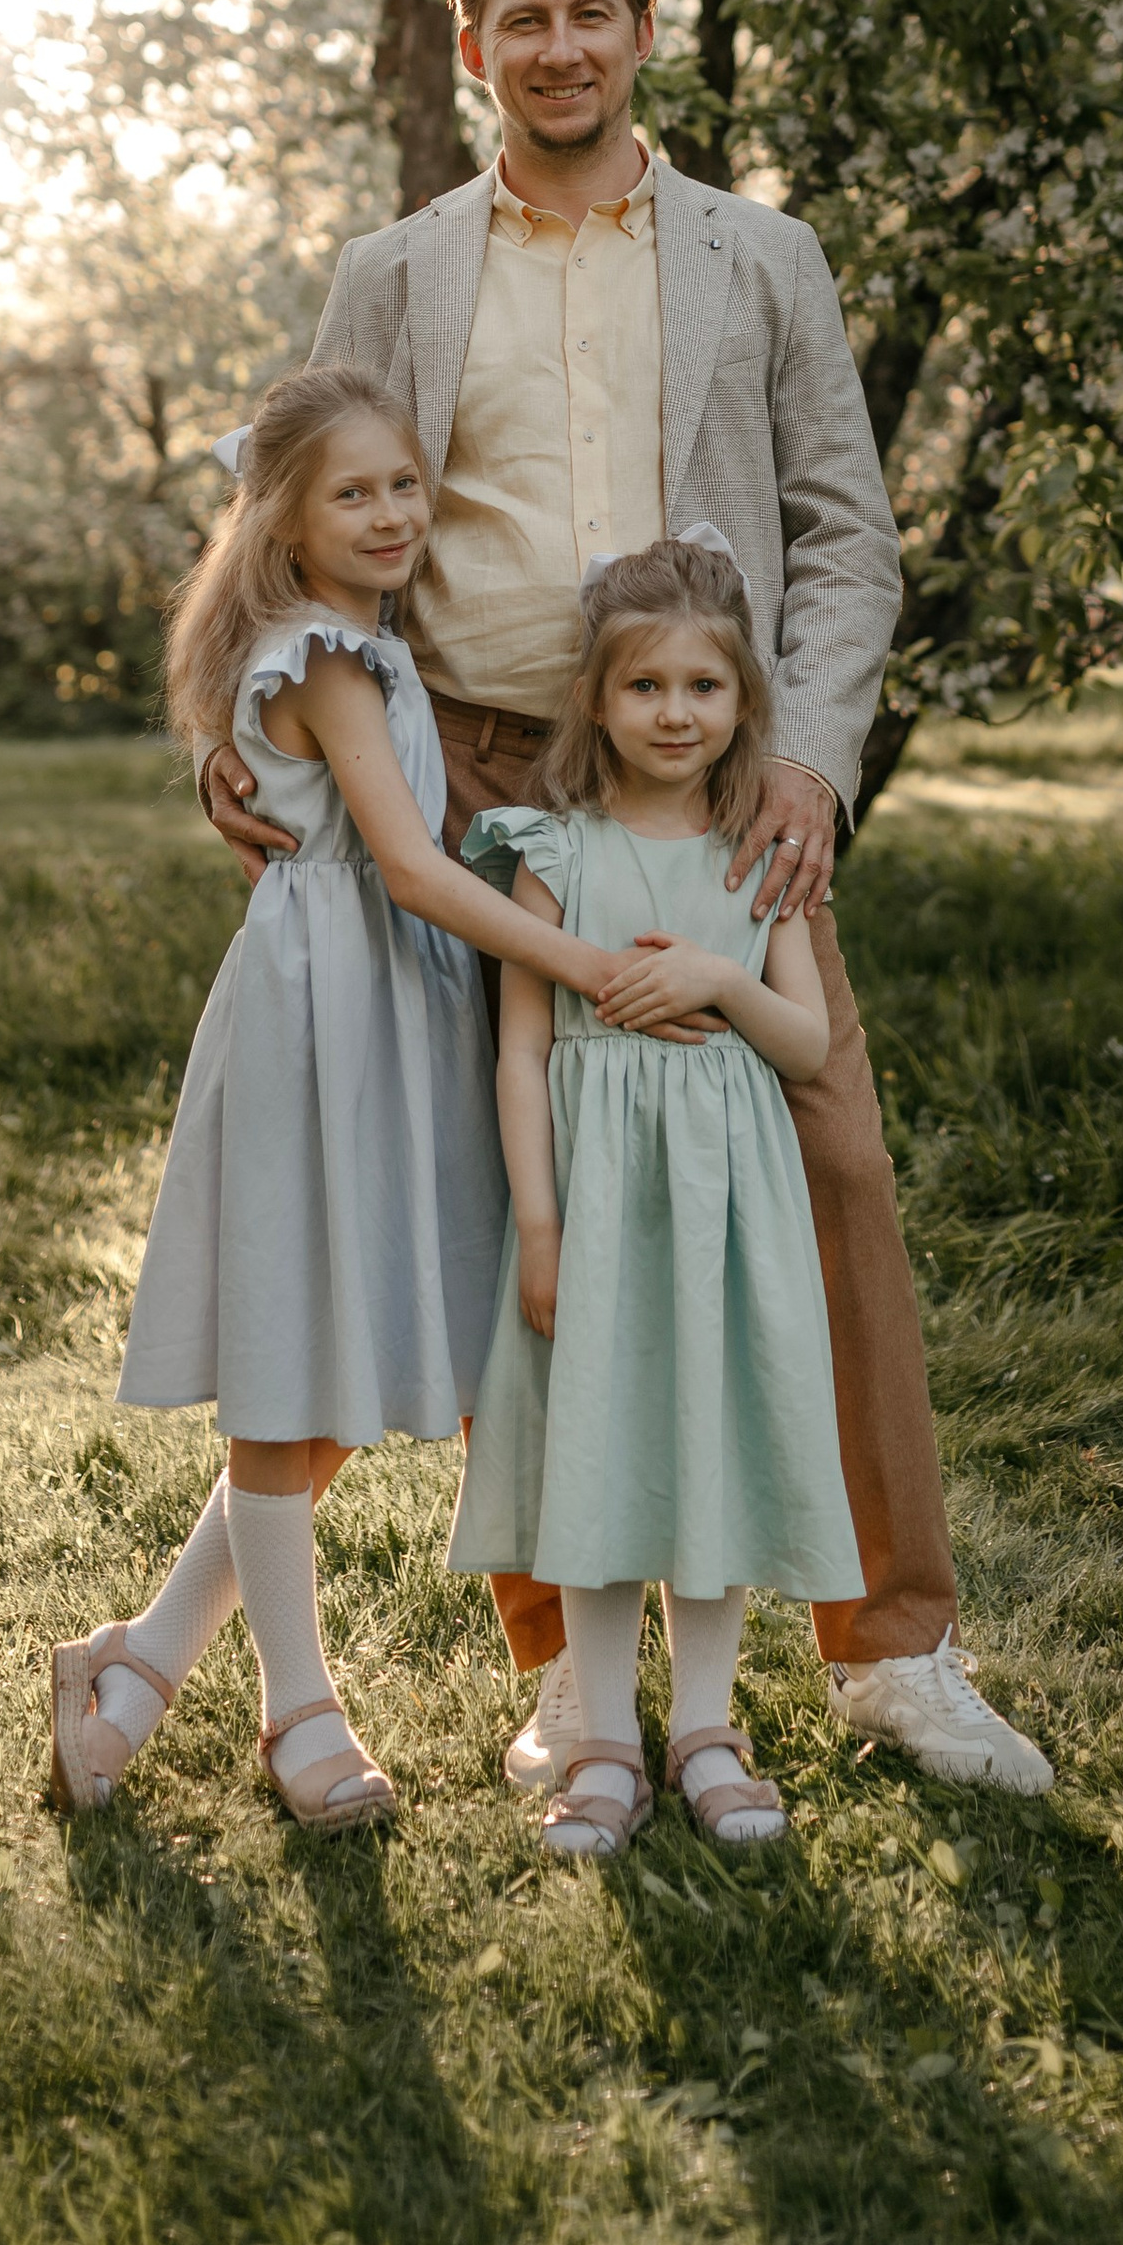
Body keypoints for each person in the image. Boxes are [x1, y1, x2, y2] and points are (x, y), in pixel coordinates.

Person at [201, 0, 1051, 1794]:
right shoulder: (395, 271)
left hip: (715, 777)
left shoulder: (761, 259)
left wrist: (811, 763)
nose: (560, 49)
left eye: (593, 14)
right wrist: (243, 727)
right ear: (470, 43)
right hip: (468, 779)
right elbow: (288, 533)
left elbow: (847, 534)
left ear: (643, 27)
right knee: (532, 1203)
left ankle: (895, 1648)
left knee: (825, 1165)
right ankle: (573, 1680)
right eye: (524, 22)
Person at [47, 364, 642, 1829]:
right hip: (327, 1021)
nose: (389, 514)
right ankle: (294, 1710)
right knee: (287, 1379)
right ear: (287, 522)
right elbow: (416, 866)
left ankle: (134, 1668)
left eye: (403, 486)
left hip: (378, 1009)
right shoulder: (328, 656)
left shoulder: (357, 640)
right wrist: (577, 961)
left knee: (331, 1393)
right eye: (350, 493)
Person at [451, 536, 859, 1856]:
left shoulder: (758, 853)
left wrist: (719, 982)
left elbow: (807, 1045)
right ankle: (604, 1744)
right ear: (596, 700)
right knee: (608, 1448)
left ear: (744, 701)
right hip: (599, 1202)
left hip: (726, 1211)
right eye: (645, 687)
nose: (675, 713)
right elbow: (519, 1050)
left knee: (711, 1446)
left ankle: (707, 1727)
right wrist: (544, 1227)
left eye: (704, 686)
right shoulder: (551, 849)